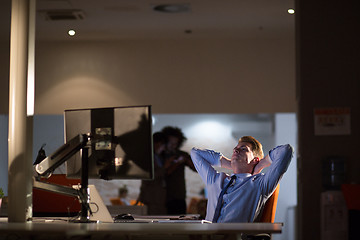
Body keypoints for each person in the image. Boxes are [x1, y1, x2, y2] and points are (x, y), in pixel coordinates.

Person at [190, 136, 293, 223]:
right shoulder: (215, 179)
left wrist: (259, 165)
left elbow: (285, 150)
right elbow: (195, 153)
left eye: (244, 149)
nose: (236, 150)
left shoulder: (260, 184)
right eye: (235, 148)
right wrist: (231, 163)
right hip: (209, 236)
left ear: (255, 159)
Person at [161, 126, 196, 215]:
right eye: (171, 143)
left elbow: (196, 169)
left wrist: (186, 160)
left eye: (175, 144)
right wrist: (177, 163)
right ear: (165, 142)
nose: (173, 146)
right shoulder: (160, 155)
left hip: (180, 196)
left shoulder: (182, 154)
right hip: (165, 197)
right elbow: (165, 173)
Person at [137, 132, 168, 214]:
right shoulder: (148, 157)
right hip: (151, 197)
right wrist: (165, 167)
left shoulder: (159, 157)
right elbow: (149, 176)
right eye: (161, 145)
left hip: (159, 197)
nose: (163, 148)